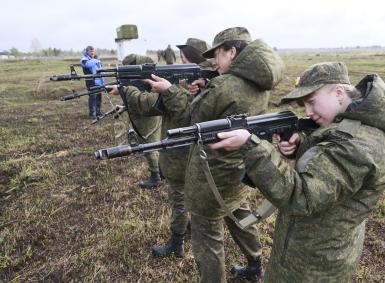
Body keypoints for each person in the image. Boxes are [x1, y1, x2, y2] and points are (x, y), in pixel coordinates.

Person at [209, 62, 385, 282]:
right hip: (306, 248)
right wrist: (302, 145)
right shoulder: (348, 120)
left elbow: (302, 197)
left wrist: (252, 147)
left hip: (315, 266)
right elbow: (328, 151)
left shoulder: (356, 146)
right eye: (304, 105)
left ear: (339, 92)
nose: (308, 112)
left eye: (311, 102)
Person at [144, 27, 285, 282]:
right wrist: (207, 88)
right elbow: (226, 113)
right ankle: (255, 265)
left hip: (212, 174)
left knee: (208, 237)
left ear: (232, 51)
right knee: (239, 215)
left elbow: (189, 120)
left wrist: (169, 90)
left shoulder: (224, 85)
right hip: (239, 166)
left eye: (218, 54)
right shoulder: (257, 82)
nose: (215, 62)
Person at [108, 38, 213, 258]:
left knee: (179, 199)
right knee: (189, 196)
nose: (179, 63)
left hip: (181, 152)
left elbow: (151, 106)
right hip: (194, 151)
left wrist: (129, 91)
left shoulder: (195, 87)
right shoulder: (206, 84)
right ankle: (188, 230)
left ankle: (176, 245)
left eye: (184, 59)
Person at [121, 53, 161, 188]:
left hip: (147, 116)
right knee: (154, 145)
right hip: (148, 113)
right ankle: (160, 172)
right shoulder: (142, 74)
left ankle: (156, 177)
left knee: (149, 147)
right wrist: (124, 106)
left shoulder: (145, 77)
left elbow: (142, 99)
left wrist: (126, 91)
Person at [80, 46, 104, 123]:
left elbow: (101, 70)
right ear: (87, 52)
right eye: (91, 51)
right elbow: (87, 65)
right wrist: (96, 60)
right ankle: (92, 114)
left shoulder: (96, 59)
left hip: (99, 82)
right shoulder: (84, 59)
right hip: (91, 82)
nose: (92, 53)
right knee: (92, 98)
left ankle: (98, 112)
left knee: (99, 98)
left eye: (93, 51)